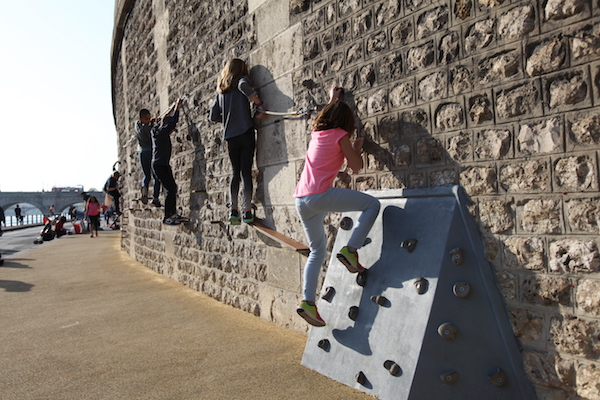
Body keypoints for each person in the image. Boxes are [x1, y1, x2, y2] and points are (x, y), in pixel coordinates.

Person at [294, 86, 381, 327]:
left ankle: (308, 303)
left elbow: (325, 114)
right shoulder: (340, 135)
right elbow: (356, 166)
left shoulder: (317, 134)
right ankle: (351, 250)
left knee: (316, 251)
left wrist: (333, 99)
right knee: (371, 205)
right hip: (319, 195)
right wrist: (357, 147)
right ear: (345, 122)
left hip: (301, 200)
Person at [209, 58, 265, 225]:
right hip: (245, 133)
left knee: (235, 174)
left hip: (230, 137)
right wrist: (259, 104)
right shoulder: (242, 80)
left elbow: (213, 116)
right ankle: (246, 211)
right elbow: (243, 87)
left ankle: (233, 209)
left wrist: (228, 120)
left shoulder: (221, 92)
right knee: (246, 173)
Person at [151, 98, 189, 225]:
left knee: (172, 188)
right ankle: (168, 216)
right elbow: (172, 123)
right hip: (160, 165)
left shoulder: (155, 129)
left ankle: (172, 213)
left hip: (162, 165)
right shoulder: (161, 133)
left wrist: (172, 108)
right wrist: (177, 108)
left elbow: (165, 119)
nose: (172, 132)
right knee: (170, 189)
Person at [136, 108, 162, 206]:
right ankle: (155, 197)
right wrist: (157, 123)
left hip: (141, 153)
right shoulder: (147, 129)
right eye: (146, 118)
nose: (148, 120)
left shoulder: (137, 127)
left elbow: (143, 126)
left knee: (146, 175)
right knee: (156, 176)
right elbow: (154, 133)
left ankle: (144, 187)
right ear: (141, 119)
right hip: (150, 152)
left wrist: (150, 122)